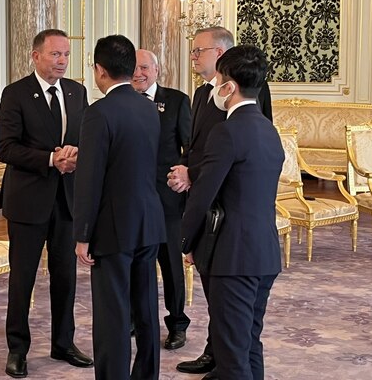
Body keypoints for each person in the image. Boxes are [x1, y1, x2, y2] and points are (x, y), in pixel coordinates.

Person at [169, 26, 272, 379]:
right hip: (264, 252)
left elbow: (203, 194)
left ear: (229, 86)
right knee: (249, 344)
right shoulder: (268, 130)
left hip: (232, 255)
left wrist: (187, 241)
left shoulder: (229, 131)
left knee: (230, 355)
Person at [0, 29, 93, 378]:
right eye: (55, 54)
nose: (63, 61)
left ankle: (63, 343)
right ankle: (17, 349)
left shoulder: (77, 91)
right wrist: (51, 159)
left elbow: (84, 137)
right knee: (22, 279)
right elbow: (5, 147)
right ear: (36, 56)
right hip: (28, 201)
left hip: (67, 200)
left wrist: (76, 154)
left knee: (66, 277)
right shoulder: (16, 94)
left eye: (66, 54)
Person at [74, 35, 166, 380]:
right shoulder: (148, 107)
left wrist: (82, 234)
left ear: (100, 70)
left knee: (113, 315)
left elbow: (90, 177)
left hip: (113, 227)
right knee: (145, 309)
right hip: (149, 221)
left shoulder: (98, 112)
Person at [131, 48, 191, 351]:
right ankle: (134, 319)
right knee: (133, 263)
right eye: (133, 68)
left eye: (144, 67)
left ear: (157, 69)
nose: (138, 73)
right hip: (132, 199)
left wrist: (185, 173)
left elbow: (190, 147)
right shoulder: (122, 102)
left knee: (170, 266)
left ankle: (177, 323)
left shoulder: (177, 101)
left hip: (167, 200)